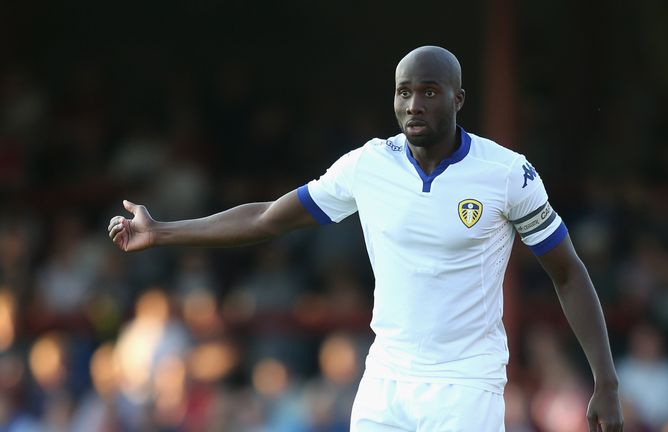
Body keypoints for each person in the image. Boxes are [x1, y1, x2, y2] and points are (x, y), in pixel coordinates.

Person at [108, 46, 623, 432]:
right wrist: (163, 232)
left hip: (464, 384)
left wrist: (605, 381)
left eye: (429, 91)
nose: (414, 103)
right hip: (385, 379)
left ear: (458, 98)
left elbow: (567, 271)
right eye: (404, 91)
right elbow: (268, 217)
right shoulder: (368, 165)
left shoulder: (506, 174)